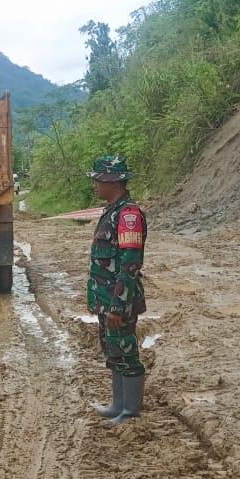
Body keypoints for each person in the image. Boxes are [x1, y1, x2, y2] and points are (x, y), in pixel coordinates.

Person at [86, 155, 147, 425]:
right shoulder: (111, 212)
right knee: (114, 351)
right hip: (106, 298)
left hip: (118, 300)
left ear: (112, 181)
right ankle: (118, 405)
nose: (96, 185)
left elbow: (130, 264)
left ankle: (130, 412)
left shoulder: (128, 215)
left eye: (99, 180)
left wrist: (117, 305)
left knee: (126, 351)